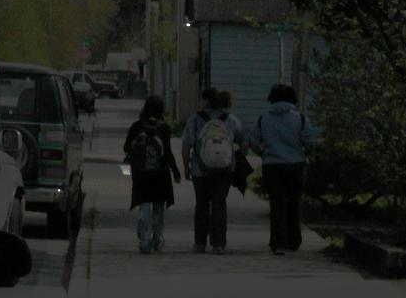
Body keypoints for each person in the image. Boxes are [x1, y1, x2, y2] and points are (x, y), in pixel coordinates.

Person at [248, 82, 317, 254]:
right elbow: (310, 142)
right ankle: (294, 240)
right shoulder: (300, 118)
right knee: (293, 203)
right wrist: (305, 152)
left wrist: (264, 154)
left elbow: (253, 141)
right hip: (295, 164)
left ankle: (278, 242)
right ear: (292, 99)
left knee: (276, 204)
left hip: (272, 165)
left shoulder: (263, 118)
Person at [181, 87, 245, 254]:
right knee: (219, 204)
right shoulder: (231, 120)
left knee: (201, 205)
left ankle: (200, 243)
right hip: (224, 170)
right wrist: (236, 161)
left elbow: (186, 145)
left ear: (206, 101)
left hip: (200, 170)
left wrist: (186, 166)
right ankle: (218, 244)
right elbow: (243, 142)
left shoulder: (195, 119)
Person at [122, 94, 181, 254]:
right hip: (160, 174)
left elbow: (126, 147)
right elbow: (167, 152)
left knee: (144, 206)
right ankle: (157, 238)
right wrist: (176, 172)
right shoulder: (164, 128)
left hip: (141, 173)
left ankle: (143, 239)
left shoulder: (136, 127)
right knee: (158, 209)